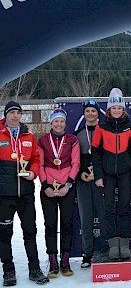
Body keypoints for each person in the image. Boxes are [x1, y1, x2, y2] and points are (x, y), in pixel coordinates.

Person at [0, 101, 49, 286]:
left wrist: (33, 173)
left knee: (30, 231)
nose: (15, 116)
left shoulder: (28, 135)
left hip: (26, 193)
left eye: (18, 113)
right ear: (6, 115)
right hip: (5, 195)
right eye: (12, 113)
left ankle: (34, 269)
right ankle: (8, 271)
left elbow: (36, 158)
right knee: (5, 234)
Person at [91, 88, 131, 260]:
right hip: (108, 175)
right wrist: (98, 175)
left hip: (126, 174)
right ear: (110, 110)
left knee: (125, 207)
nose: (117, 111)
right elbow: (95, 154)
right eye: (114, 108)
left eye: (119, 108)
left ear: (123, 109)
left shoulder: (130, 127)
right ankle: (113, 243)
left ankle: (124, 243)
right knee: (109, 209)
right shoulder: (101, 127)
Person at [38, 108, 80, 277]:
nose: (59, 124)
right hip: (48, 188)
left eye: (61, 121)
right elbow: (39, 164)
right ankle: (52, 260)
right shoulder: (42, 140)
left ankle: (65, 259)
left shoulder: (72, 140)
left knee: (67, 224)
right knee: (50, 225)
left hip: (67, 188)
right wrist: (45, 186)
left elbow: (76, 163)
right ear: (51, 123)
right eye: (56, 121)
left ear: (65, 123)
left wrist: (68, 185)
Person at [74, 100, 105, 268]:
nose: (91, 114)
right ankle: (87, 253)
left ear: (98, 113)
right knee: (86, 218)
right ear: (84, 114)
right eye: (88, 111)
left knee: (104, 216)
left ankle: (106, 251)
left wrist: (99, 175)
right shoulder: (78, 134)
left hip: (101, 181)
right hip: (83, 181)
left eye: (93, 111)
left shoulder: (105, 131)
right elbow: (74, 160)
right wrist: (81, 174)